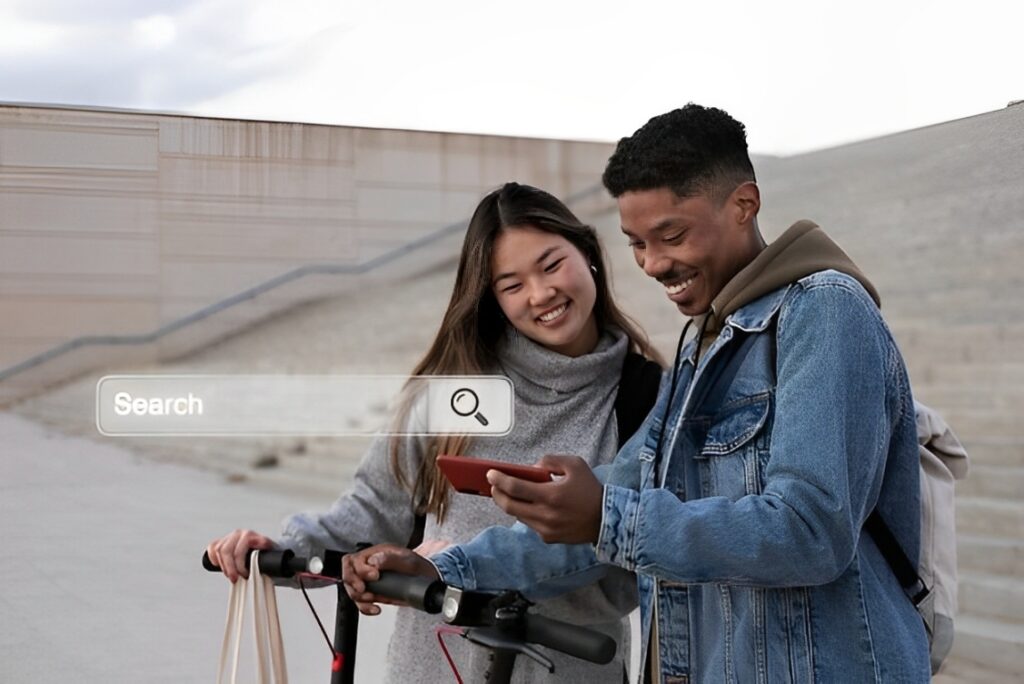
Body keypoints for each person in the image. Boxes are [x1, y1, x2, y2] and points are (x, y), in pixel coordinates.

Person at [345, 105, 931, 682]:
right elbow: (607, 511)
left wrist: (605, 514)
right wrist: (444, 568)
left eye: (670, 235)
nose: (653, 263)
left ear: (743, 205)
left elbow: (810, 532)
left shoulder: (824, 311)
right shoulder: (701, 344)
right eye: (635, 243)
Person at [206, 182, 664, 683]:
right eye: (512, 285)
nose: (540, 293)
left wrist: (456, 567)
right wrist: (279, 548)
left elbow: (624, 577)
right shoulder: (452, 391)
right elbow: (371, 510)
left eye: (552, 265)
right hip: (428, 668)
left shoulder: (648, 398)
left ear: (589, 253)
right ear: (493, 299)